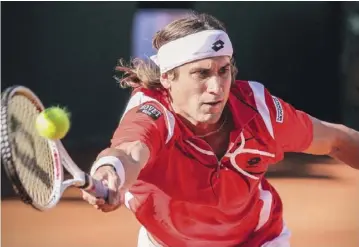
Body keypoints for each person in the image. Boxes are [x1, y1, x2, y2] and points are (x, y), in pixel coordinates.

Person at [82, 13, 359, 247]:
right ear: (167, 77)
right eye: (201, 74)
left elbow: (336, 140)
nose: (217, 88)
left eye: (223, 70)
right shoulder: (152, 113)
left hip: (257, 239)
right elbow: (130, 152)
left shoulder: (259, 111)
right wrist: (111, 171)